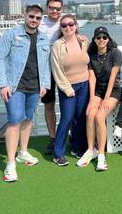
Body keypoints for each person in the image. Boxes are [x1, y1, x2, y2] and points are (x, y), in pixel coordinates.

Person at [0, 4, 51, 182]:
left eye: (38, 18)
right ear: (25, 16)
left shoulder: (43, 39)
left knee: (28, 119)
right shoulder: (12, 34)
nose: (34, 20)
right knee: (14, 121)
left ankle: (23, 152)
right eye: (31, 17)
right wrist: (2, 84)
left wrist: (45, 84)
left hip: (35, 86)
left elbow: (45, 64)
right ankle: (10, 164)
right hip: (14, 86)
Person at [77, 26, 122, 171]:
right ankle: (91, 150)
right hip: (98, 89)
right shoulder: (91, 54)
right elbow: (92, 78)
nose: (101, 40)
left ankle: (101, 155)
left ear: (108, 39)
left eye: (104, 37)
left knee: (99, 116)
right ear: (94, 40)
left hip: (113, 89)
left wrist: (106, 98)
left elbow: (113, 77)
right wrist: (92, 98)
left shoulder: (115, 53)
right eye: (98, 37)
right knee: (90, 113)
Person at [51, 14, 90, 166]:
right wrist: (67, 89)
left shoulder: (84, 41)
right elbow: (56, 70)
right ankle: (58, 153)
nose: (68, 27)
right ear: (61, 28)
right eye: (64, 25)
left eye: (71, 24)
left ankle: (77, 146)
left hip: (85, 84)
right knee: (67, 118)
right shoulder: (58, 45)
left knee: (80, 117)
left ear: (76, 25)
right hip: (68, 86)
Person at [38, 0, 63, 155]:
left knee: (69, 105)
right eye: (52, 8)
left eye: (57, 8)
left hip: (63, 70)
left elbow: (77, 37)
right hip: (45, 71)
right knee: (49, 105)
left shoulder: (66, 23)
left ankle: (73, 137)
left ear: (62, 9)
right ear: (48, 8)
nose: (54, 11)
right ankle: (53, 138)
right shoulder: (39, 24)